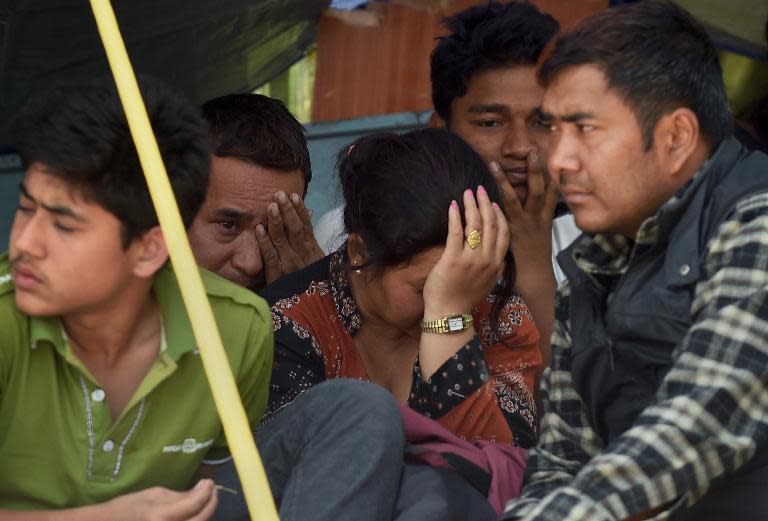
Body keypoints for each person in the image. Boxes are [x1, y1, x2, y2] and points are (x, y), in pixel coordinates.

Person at [503, 2, 768, 520]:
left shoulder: (756, 222)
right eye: (554, 128)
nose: (558, 158)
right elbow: (561, 460)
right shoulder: (591, 267)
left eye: (585, 129)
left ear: (676, 137)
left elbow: (702, 420)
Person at [214, 128, 539, 520]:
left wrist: (450, 319)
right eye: (428, 286)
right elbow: (315, 481)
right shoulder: (286, 323)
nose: (450, 294)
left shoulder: (496, 313)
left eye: (469, 276)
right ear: (358, 253)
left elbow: (500, 471)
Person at [0, 81, 273, 519]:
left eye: (64, 226)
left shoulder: (236, 328)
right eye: (27, 209)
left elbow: (211, 492)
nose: (23, 244)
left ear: (149, 250)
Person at [314, 2, 580, 363]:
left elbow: (568, 403)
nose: (519, 148)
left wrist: (532, 262)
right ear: (441, 128)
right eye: (491, 122)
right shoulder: (357, 231)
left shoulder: (589, 242)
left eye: (542, 123)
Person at [188, 93, 325, 293]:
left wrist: (317, 299)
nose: (251, 264)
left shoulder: (314, 299)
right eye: (228, 225)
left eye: (274, 231)